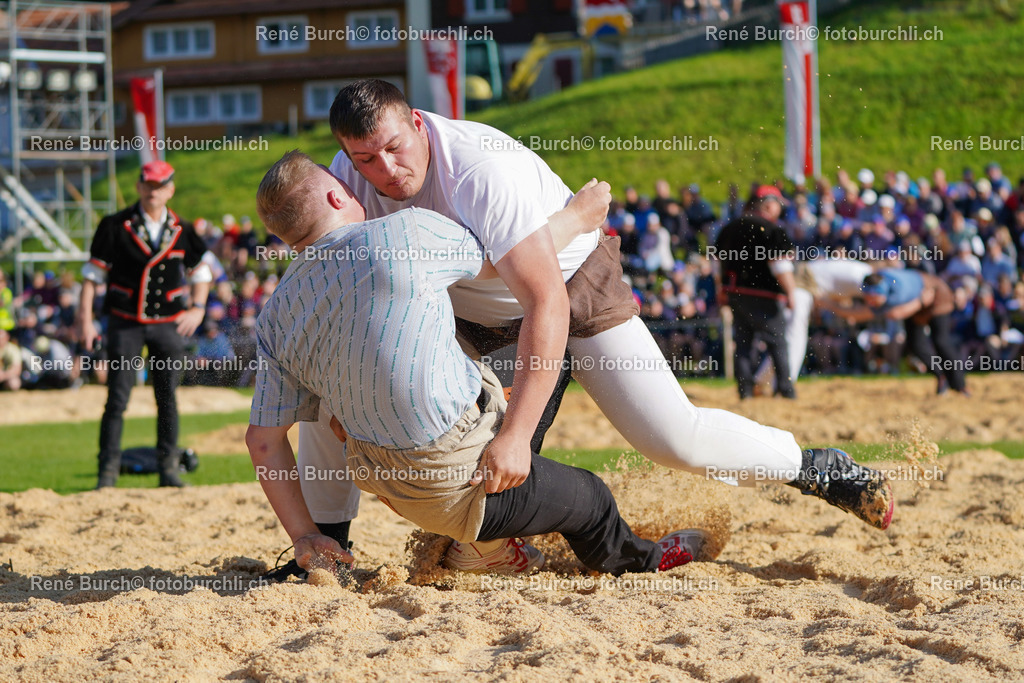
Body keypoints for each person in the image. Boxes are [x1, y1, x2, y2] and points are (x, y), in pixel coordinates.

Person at [287, 80, 893, 579]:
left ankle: (816, 466)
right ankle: (326, 547)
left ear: (419, 123)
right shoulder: (345, 178)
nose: (386, 170)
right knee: (332, 391)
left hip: (568, 285)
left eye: (394, 148)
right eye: (366, 159)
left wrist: (516, 435)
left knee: (672, 438)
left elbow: (544, 300)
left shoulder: (479, 170)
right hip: (467, 308)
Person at [248, 151, 706, 577]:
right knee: (593, 498)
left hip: (385, 485)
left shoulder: (276, 313)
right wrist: (577, 217)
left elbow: (263, 442)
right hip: (456, 484)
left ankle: (488, 539)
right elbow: (506, 258)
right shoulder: (402, 232)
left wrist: (304, 535)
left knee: (485, 370)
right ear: (336, 197)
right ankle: (642, 562)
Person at [77, 160, 211, 488]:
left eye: (160, 185)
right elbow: (92, 278)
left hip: (168, 324)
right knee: (117, 398)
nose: (153, 191)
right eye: (148, 184)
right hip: (125, 322)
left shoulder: (183, 229)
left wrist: (197, 309)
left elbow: (202, 273)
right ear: (138, 187)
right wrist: (86, 321)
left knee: (167, 398)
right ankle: (107, 473)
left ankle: (168, 470)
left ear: (170, 190)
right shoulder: (114, 225)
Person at [714, 185, 798, 399]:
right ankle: (786, 391)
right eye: (778, 205)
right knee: (777, 342)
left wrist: (721, 289)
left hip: (736, 292)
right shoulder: (773, 230)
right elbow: (780, 265)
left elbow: (717, 263)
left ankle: (745, 391)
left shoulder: (729, 227)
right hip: (765, 295)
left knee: (743, 343)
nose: (780, 209)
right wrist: (791, 292)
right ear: (769, 205)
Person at [860, 269, 968, 395]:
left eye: (872, 300)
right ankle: (941, 376)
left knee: (941, 342)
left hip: (935, 294)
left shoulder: (899, 293)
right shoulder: (878, 284)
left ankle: (961, 386)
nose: (870, 303)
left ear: (880, 293)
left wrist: (921, 301)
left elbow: (896, 314)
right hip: (917, 302)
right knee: (915, 344)